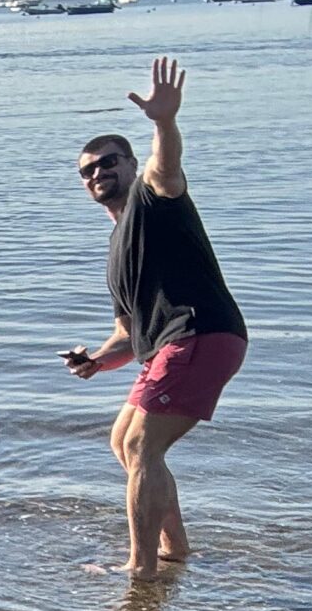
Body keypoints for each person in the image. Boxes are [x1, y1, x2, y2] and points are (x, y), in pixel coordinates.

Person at [59, 56, 249, 579]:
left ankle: (141, 569)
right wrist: (96, 360)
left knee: (143, 444)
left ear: (129, 164)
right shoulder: (117, 244)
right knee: (124, 442)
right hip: (174, 343)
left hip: (200, 333)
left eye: (108, 162)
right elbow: (128, 333)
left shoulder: (152, 197)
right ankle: (175, 550)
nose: (98, 173)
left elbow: (165, 167)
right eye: (88, 170)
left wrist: (164, 122)